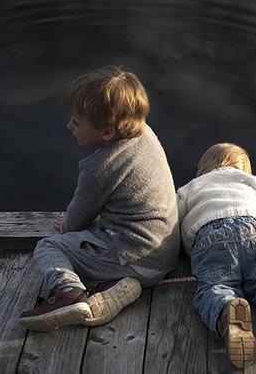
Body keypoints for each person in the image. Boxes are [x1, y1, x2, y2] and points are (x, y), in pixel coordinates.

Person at [19, 66, 180, 332]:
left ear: (107, 133)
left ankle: (68, 294)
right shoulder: (144, 133)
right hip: (164, 253)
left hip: (135, 256)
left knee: (50, 247)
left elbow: (75, 223)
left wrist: (67, 226)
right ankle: (116, 287)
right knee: (99, 233)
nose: (69, 125)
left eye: (76, 122)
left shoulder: (99, 168)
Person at [176, 143, 256, 369]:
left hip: (211, 238)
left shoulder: (191, 188)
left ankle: (228, 311)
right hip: (255, 232)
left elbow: (170, 219)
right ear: (245, 169)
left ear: (203, 167)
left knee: (217, 286)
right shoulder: (252, 182)